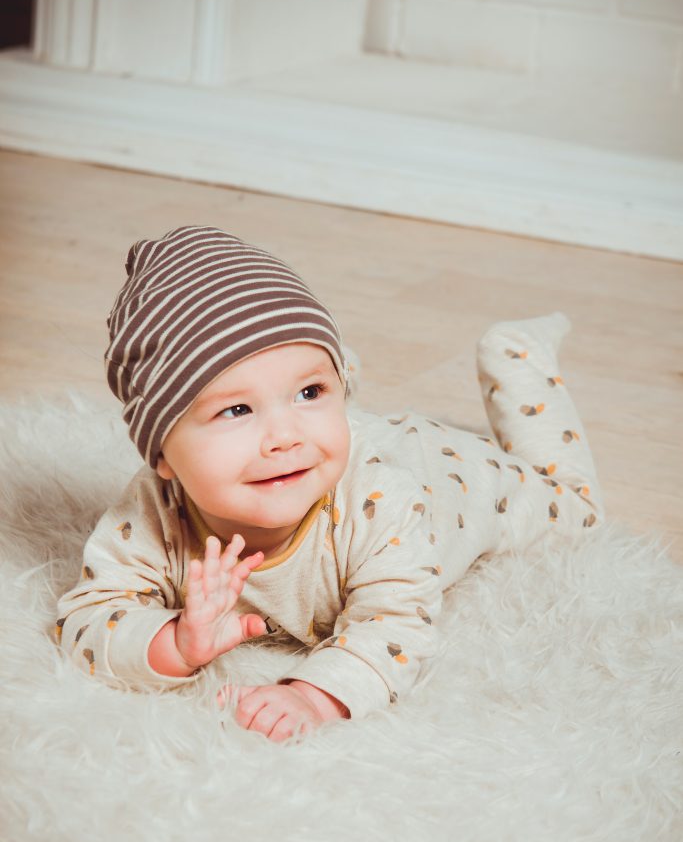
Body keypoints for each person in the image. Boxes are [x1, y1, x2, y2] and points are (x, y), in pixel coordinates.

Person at [57, 225, 603, 742]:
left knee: (574, 505)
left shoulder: (383, 502)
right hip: (349, 443)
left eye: (310, 393)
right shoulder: (153, 512)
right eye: (238, 409)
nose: (284, 437)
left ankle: (516, 358)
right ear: (162, 454)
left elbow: (394, 625)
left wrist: (314, 697)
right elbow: (87, 621)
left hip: (444, 472)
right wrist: (172, 642)